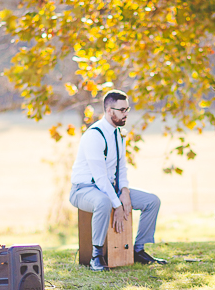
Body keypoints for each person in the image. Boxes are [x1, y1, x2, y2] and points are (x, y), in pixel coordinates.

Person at [69, 90, 166, 271]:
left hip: (110, 188)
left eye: (127, 109)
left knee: (152, 201)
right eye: (121, 110)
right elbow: (99, 178)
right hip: (83, 189)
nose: (126, 113)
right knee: (104, 202)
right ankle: (96, 256)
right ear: (108, 110)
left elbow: (121, 167)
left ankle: (138, 250)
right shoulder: (94, 135)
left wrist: (125, 191)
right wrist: (118, 205)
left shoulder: (118, 134)